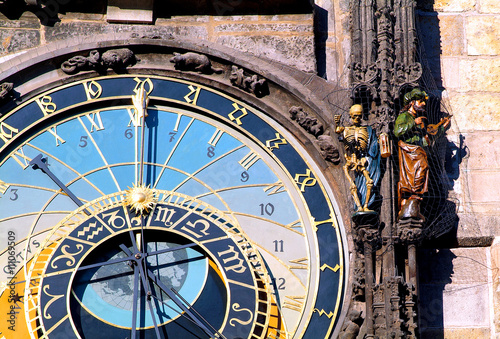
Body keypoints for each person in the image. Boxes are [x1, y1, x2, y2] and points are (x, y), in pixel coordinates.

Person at [394, 88, 451, 221]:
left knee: (423, 169)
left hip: (418, 151)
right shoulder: (405, 117)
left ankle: (413, 203)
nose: (423, 104)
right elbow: (397, 131)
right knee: (422, 168)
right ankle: (410, 199)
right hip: (410, 152)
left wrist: (441, 128)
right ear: (412, 103)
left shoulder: (418, 119)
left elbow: (426, 142)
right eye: (420, 101)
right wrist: (414, 123)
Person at [335, 104, 380, 214]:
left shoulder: (367, 130)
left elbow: (372, 146)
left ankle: (365, 206)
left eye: (359, 116)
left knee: (369, 181)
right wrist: (337, 123)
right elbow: (338, 130)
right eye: (354, 116)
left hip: (364, 160)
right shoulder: (346, 130)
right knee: (354, 185)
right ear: (350, 116)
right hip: (352, 160)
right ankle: (359, 206)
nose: (357, 119)